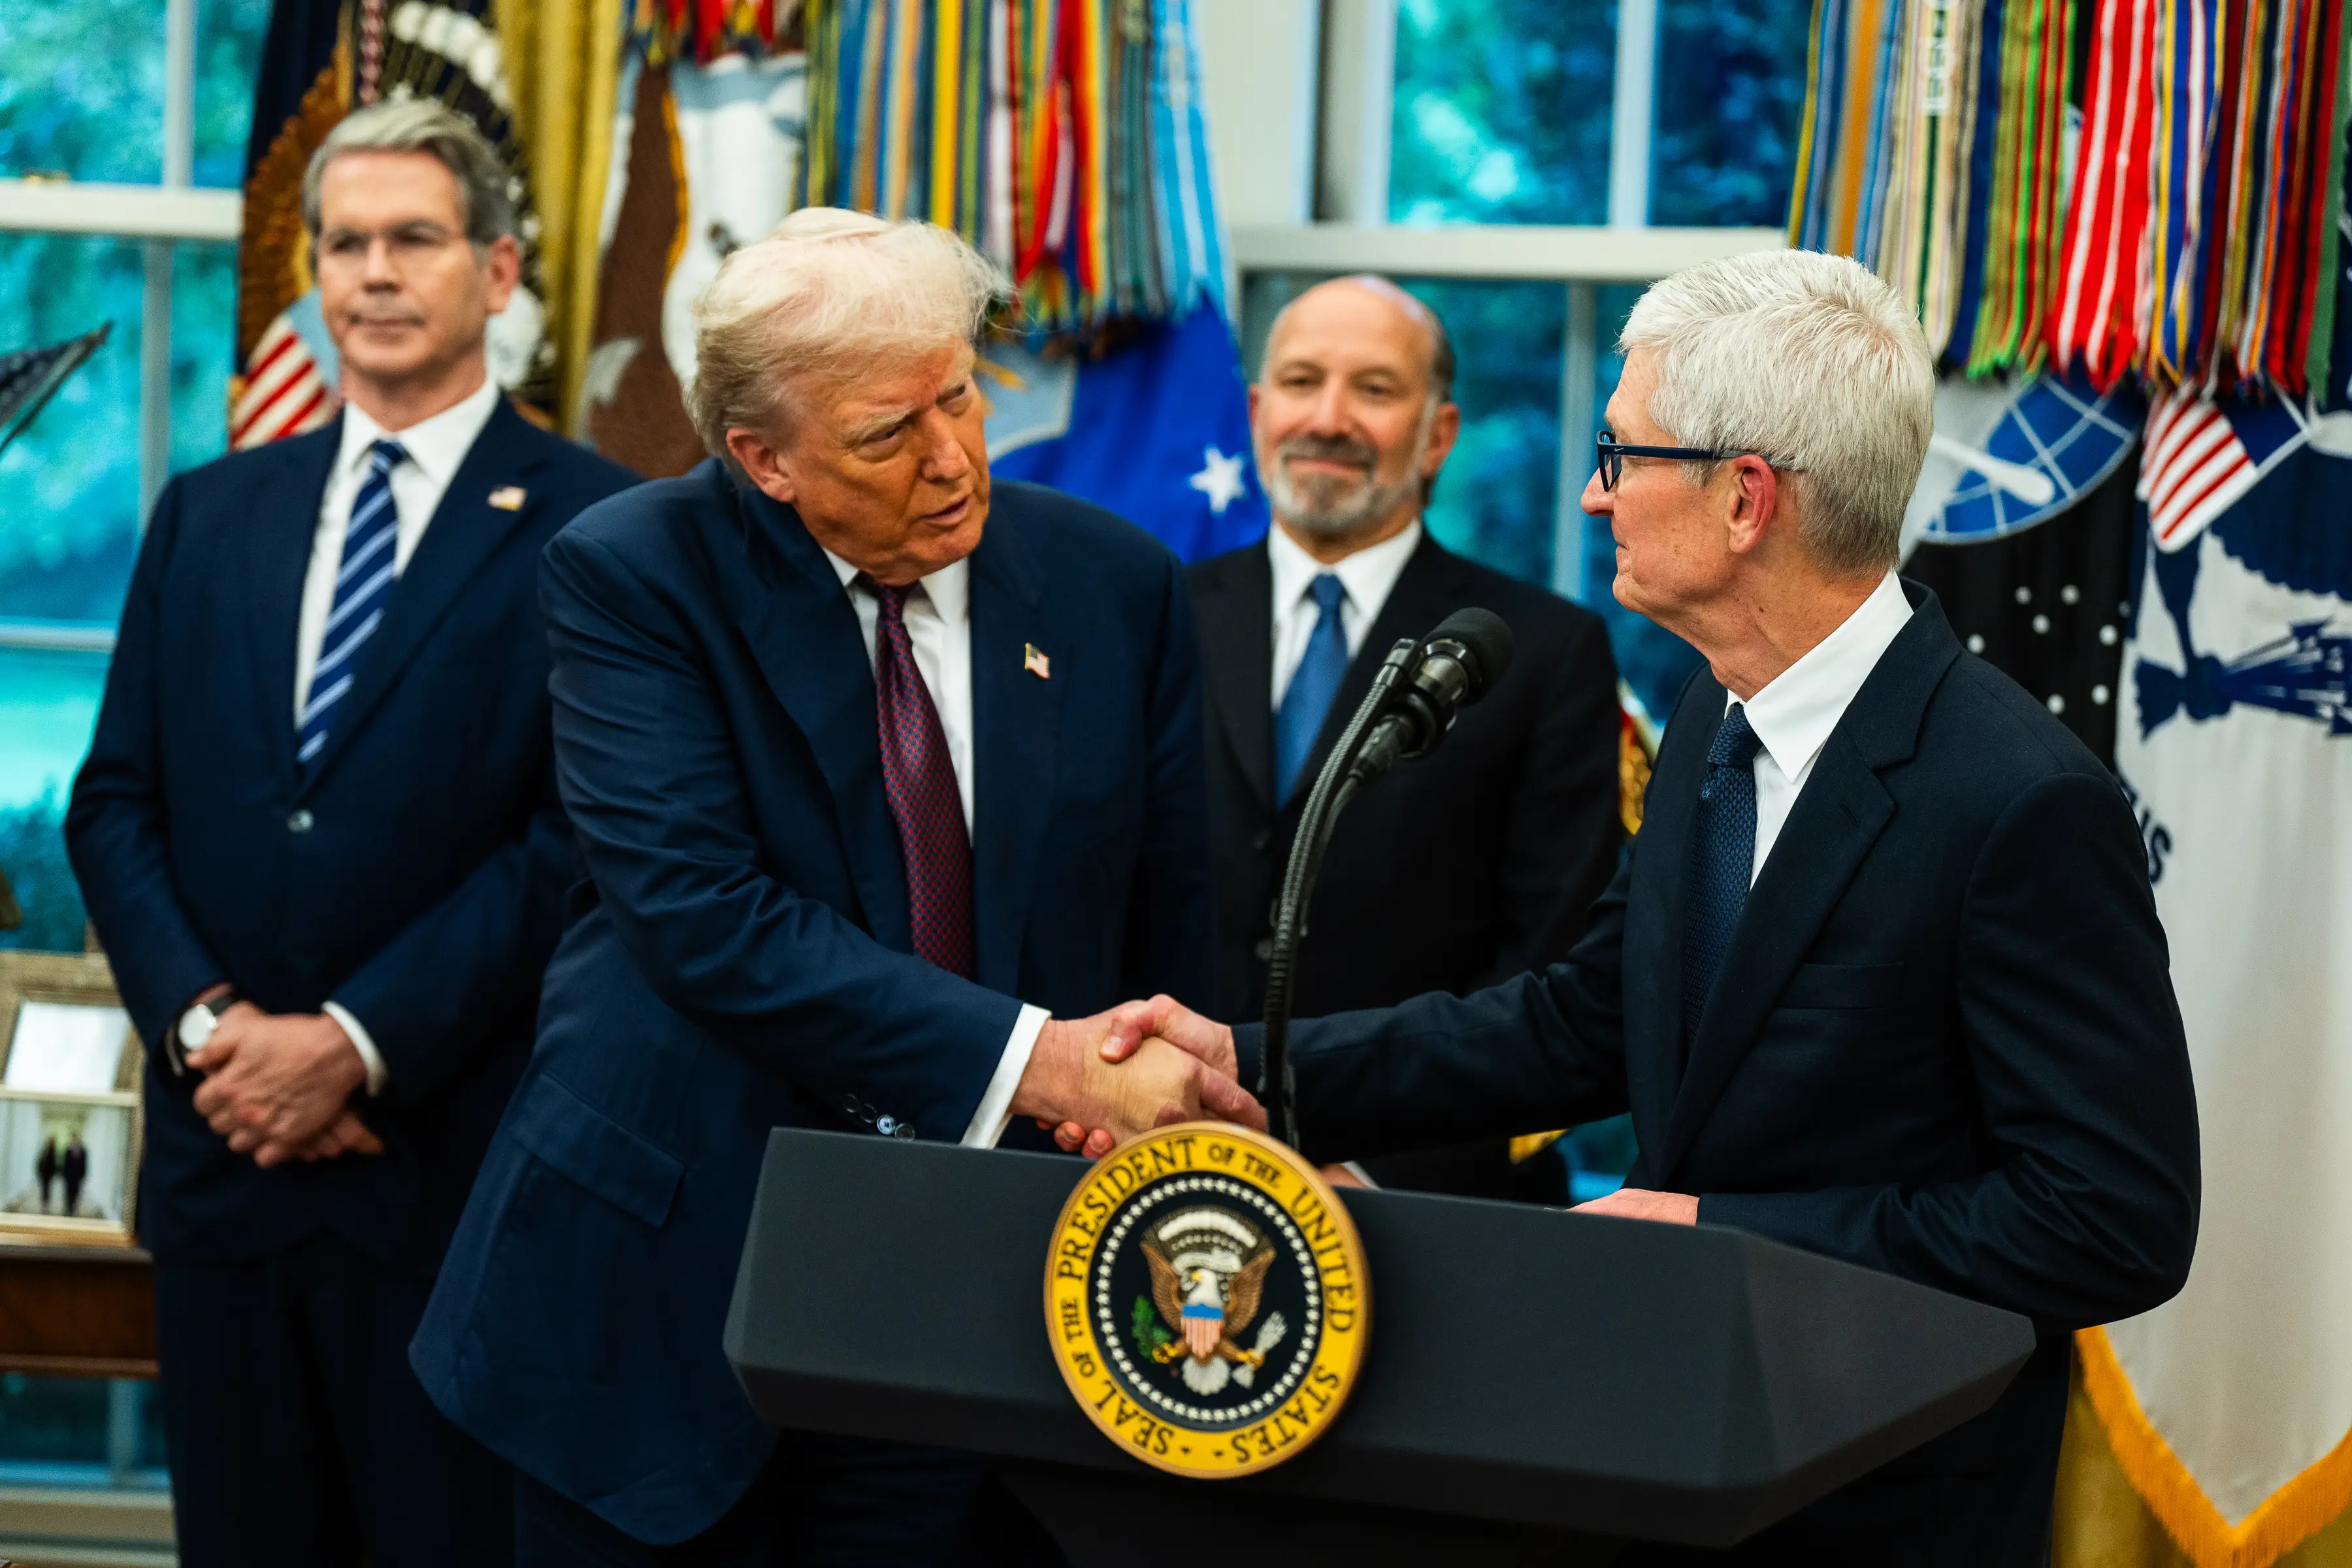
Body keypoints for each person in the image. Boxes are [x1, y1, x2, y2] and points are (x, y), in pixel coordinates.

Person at [1070, 250, 2201, 1564]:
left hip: (1886, 1493)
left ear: (1743, 500)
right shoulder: (1715, 703)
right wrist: (1251, 1071)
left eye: (1624, 454)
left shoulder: (2018, 801)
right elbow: (1585, 1018)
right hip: (1677, 1457)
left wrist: (1720, 1234)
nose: (1596, 491)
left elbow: (2108, 1218)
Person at [410, 208, 1261, 1566]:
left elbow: (1170, 926)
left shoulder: (1116, 585)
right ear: (764, 460)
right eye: (887, 433)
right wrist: (1043, 1064)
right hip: (667, 1294)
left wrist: (1174, 1098)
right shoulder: (635, 575)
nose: (953, 457)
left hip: (979, 1313)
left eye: (962, 397)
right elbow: (703, 915)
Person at [66, 101, 638, 1567]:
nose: (373, 273)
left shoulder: (604, 530)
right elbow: (114, 801)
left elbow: (577, 847)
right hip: (226, 1171)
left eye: (415, 240)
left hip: (443, 1181)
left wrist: (350, 1041)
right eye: (345, 244)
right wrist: (213, 1037)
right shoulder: (209, 511)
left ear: (500, 272)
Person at [1189, 276, 1621, 1202]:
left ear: (1439, 433)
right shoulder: (1155, 617)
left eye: (1375, 390)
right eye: (1302, 382)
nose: (1330, 418)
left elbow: (1555, 963)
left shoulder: (1544, 650)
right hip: (1162, 1168)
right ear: (1259, 413)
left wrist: (1382, 1173)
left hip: (1429, 1199)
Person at [60, 1132, 87, 1216]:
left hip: (78, 1177)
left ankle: (73, 1208)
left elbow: (85, 1164)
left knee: (76, 1193)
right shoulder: (68, 1150)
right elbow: (65, 1164)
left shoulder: (83, 1151)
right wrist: (65, 1175)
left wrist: (82, 1175)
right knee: (68, 1192)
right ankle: (68, 1208)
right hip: (69, 1176)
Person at [35, 1135, 57, 1213]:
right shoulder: (43, 1151)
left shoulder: (52, 1151)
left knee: (47, 1188)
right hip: (43, 1173)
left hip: (49, 1174)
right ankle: (44, 1202)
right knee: (44, 1188)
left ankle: (46, 1203)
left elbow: (53, 1164)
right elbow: (39, 1161)